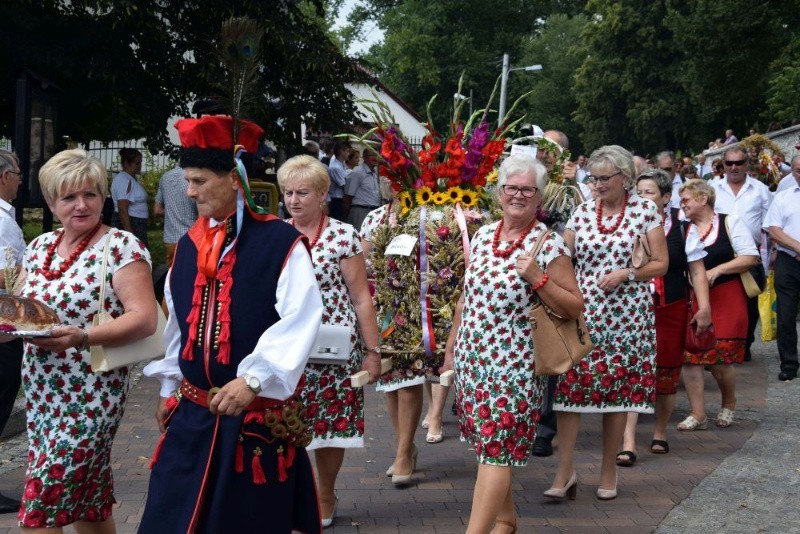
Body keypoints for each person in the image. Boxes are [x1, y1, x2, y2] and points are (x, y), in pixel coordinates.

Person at [139, 115, 324, 533]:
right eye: (188, 179)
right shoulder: (188, 246)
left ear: (234, 181)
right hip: (191, 421)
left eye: (200, 181)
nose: (189, 191)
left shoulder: (280, 243)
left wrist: (254, 380)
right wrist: (169, 388)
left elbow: (302, 317)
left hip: (250, 426)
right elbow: (179, 332)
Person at [0, 148, 157, 531]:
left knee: (41, 504)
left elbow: (145, 319)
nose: (81, 205)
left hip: (92, 391)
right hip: (42, 389)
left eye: (90, 194)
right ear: (52, 203)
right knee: (90, 502)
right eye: (69, 197)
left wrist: (82, 336)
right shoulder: (39, 249)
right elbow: (26, 310)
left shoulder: (121, 246)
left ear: (104, 196)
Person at [442, 154, 584, 533]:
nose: (518, 195)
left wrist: (538, 278)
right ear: (499, 192)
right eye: (511, 187)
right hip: (474, 364)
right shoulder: (485, 234)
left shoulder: (548, 245)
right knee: (489, 451)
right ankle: (505, 521)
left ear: (539, 198)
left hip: (515, 368)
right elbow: (465, 299)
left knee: (496, 452)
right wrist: (450, 353)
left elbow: (574, 306)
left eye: (527, 189)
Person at [548, 145, 668, 501]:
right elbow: (561, 257)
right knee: (569, 393)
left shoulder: (645, 211)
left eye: (604, 178)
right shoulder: (581, 212)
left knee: (615, 397)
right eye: (593, 178)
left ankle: (608, 472)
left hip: (626, 317)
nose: (597, 185)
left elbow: (660, 263)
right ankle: (564, 472)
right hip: (584, 313)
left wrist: (627, 273)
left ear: (624, 179)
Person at [277, 155, 381, 528]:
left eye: (302, 192)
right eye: (288, 192)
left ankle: (325, 491)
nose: (294, 200)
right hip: (289, 347)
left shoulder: (341, 235)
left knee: (331, 425)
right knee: (288, 423)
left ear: (322, 194)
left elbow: (361, 298)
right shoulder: (277, 232)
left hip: (334, 350)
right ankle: (293, 494)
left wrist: (373, 352)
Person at [617, 170, 712, 463]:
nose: (643, 198)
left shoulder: (683, 229)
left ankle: (660, 431)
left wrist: (704, 307)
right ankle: (628, 440)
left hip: (670, 306)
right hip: (632, 306)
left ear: (666, 197)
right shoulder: (626, 226)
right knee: (632, 368)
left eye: (650, 193)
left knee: (668, 369)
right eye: (639, 192)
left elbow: (696, 270)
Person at [677, 179, 758, 430]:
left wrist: (718, 270)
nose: (682, 204)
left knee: (720, 356)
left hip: (726, 295)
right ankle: (698, 413)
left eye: (687, 199)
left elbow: (750, 257)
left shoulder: (729, 222)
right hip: (692, 297)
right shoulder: (682, 228)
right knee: (691, 355)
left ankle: (729, 402)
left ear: (703, 199)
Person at [710, 146, 771, 362]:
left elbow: (769, 224)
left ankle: (744, 345)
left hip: (750, 254)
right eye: (729, 163)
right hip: (720, 254)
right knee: (720, 300)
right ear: (723, 166)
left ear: (747, 164)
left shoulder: (761, 190)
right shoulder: (712, 189)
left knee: (750, 300)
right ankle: (717, 346)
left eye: (739, 163)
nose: (734, 167)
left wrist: (770, 254)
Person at [0, 149, 25, 515]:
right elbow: (6, 275)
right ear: (4, 176)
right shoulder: (3, 220)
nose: (21, 179)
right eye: (18, 172)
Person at [763, 170, 800, 381]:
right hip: (788, 260)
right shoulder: (784, 196)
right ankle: (789, 362)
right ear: (794, 173)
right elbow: (774, 229)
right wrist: (797, 247)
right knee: (786, 314)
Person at [153, 166, 197, 266]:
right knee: (193, 276)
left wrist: (171, 211)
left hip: (171, 239)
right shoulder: (195, 176)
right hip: (193, 237)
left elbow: (157, 210)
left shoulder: (165, 177)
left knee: (173, 276)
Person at [110, 148, 149, 246]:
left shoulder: (130, 178)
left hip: (137, 223)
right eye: (137, 163)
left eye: (140, 163)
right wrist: (130, 235)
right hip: (132, 223)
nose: (139, 166)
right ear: (126, 163)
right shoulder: (124, 180)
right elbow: (122, 208)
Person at [343, 149, 380, 231]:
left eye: (377, 155)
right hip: (360, 212)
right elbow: (347, 196)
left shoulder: (374, 173)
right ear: (365, 158)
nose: (376, 158)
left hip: (373, 212)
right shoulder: (357, 172)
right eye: (373, 155)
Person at [327, 142, 349, 221]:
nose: (348, 154)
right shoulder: (335, 167)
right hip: (336, 200)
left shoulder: (341, 164)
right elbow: (344, 185)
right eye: (346, 151)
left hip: (340, 199)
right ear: (341, 152)